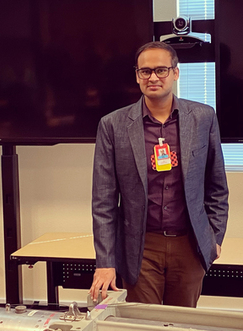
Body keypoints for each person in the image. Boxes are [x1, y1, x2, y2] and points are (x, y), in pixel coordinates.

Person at [89, 41, 229, 307]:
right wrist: (105, 262)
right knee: (145, 329)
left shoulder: (203, 118)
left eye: (161, 70)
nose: (153, 77)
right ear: (137, 76)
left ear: (175, 73)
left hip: (189, 245)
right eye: (145, 71)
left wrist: (214, 238)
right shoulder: (113, 125)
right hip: (140, 248)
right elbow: (103, 202)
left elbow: (217, 186)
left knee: (182, 327)